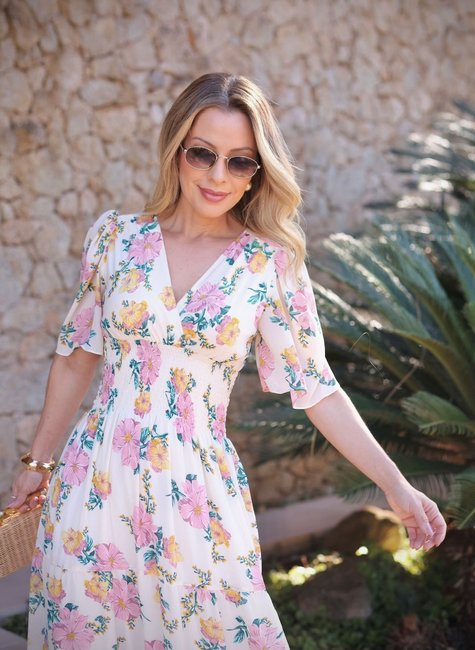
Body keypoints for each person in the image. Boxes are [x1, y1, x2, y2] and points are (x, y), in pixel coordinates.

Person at [8, 72, 446, 649]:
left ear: (257, 171)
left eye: (239, 162)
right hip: (95, 479)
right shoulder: (114, 239)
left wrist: (396, 487)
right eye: (203, 154)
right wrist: (37, 464)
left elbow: (318, 388)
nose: (218, 176)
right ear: (176, 150)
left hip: (197, 493)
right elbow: (75, 357)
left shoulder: (269, 265)